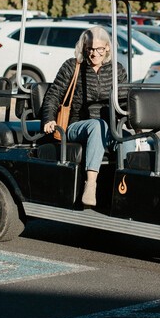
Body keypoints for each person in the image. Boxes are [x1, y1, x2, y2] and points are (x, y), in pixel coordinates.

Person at [42, 26, 133, 208]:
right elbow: (53, 95)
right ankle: (90, 184)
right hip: (77, 126)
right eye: (90, 49)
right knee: (97, 125)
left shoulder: (116, 70)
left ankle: (124, 187)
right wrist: (48, 118)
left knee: (128, 139)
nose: (94, 53)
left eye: (99, 49)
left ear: (107, 48)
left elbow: (124, 101)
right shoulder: (72, 66)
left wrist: (135, 123)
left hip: (109, 128)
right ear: (84, 48)